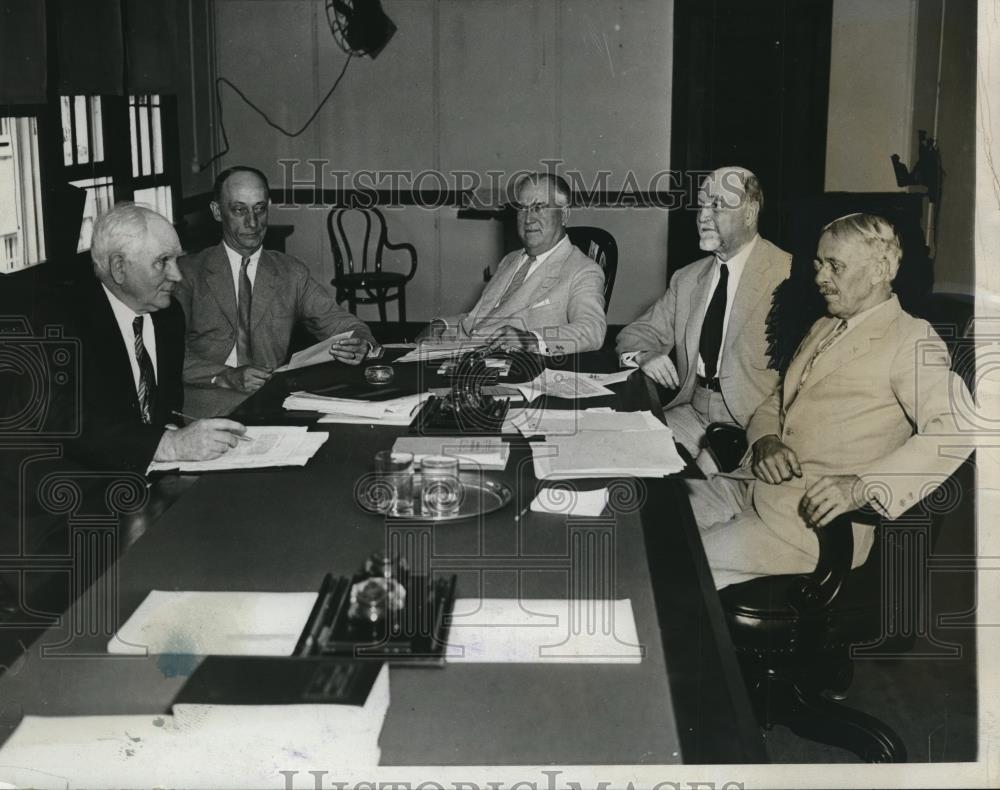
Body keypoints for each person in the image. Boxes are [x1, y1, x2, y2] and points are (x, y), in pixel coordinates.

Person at [691, 213, 972, 589]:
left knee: (672, 564)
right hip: (751, 487)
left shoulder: (911, 340)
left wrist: (862, 486)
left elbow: (958, 428)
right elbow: (776, 403)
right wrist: (766, 440)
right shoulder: (825, 325)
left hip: (815, 528)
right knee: (649, 521)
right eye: (819, 264)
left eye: (835, 266)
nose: (821, 277)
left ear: (880, 270)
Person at [615, 167, 790, 463]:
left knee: (694, 496)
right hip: (692, 411)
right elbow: (634, 334)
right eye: (701, 205)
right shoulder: (687, 279)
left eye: (717, 206)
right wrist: (645, 355)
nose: (702, 216)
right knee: (623, 452)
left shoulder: (788, 274)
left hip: (754, 426)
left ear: (749, 213)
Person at [58, 203, 250, 472]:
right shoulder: (65, 324)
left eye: (177, 260)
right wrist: (168, 444)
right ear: (119, 268)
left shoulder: (168, 317)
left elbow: (166, 410)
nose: (177, 275)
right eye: (162, 262)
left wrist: (179, 436)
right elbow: (68, 425)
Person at [175, 166, 377, 394]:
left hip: (270, 397)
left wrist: (361, 343)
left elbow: (345, 324)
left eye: (259, 209)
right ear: (217, 211)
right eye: (239, 210)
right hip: (207, 400)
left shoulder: (290, 272)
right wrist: (224, 376)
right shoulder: (187, 274)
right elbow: (167, 355)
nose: (253, 223)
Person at [419, 172, 606, 355]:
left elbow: (592, 330)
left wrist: (529, 340)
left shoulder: (582, 270)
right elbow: (483, 321)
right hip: (466, 358)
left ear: (564, 215)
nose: (529, 218)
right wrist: (443, 325)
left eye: (539, 207)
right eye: (522, 208)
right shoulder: (510, 260)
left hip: (516, 370)